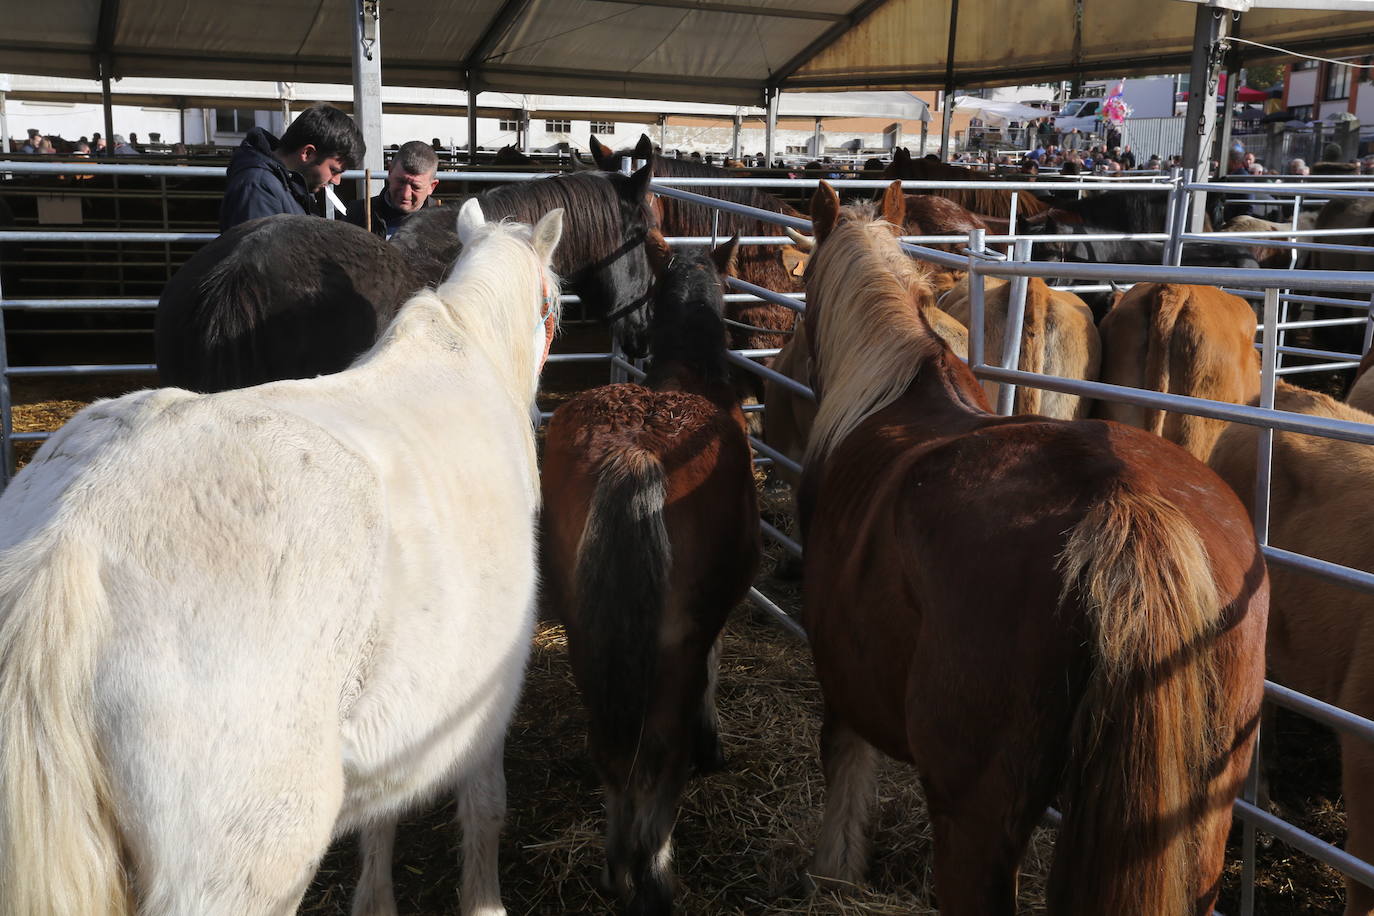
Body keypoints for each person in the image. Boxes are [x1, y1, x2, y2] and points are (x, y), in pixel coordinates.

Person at [219, 103, 365, 233]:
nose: (337, 181)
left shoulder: (291, 185)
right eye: (333, 170)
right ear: (307, 153)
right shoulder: (258, 187)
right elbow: (259, 260)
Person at [344, 140, 440, 239]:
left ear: (432, 186)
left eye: (415, 187)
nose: (405, 194)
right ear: (389, 173)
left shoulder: (444, 224)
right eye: (400, 182)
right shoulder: (358, 214)